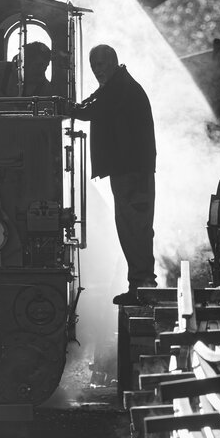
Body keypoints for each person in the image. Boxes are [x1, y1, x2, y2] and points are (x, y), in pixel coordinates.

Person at [71, 44, 157, 303]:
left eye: (101, 64)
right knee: (133, 229)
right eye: (94, 65)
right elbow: (93, 105)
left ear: (113, 62)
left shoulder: (120, 88)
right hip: (130, 170)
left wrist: (64, 107)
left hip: (132, 172)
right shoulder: (117, 86)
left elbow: (90, 111)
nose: (97, 70)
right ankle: (140, 287)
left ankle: (143, 288)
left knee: (134, 230)